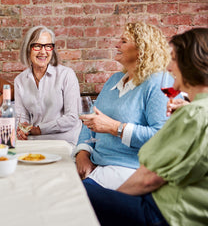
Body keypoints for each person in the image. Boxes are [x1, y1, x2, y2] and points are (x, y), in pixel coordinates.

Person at [84, 27, 208, 226]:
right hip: (162, 202)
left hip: (165, 212)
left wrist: (115, 200)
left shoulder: (193, 114)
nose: (168, 67)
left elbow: (149, 179)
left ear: (190, 63)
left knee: (75, 194)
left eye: (174, 59)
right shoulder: (195, 111)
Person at [74, 22, 173, 190]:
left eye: (124, 41)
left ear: (142, 50)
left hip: (129, 171)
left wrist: (115, 127)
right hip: (96, 165)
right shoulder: (114, 80)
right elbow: (90, 120)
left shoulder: (159, 83)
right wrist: (82, 154)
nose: (116, 45)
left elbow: (161, 137)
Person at [14, 26, 81, 146]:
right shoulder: (20, 80)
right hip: (34, 141)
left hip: (64, 141)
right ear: (28, 49)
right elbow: (21, 117)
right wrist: (21, 128)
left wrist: (39, 129)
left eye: (48, 46)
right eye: (37, 46)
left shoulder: (66, 75)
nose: (43, 52)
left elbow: (72, 118)